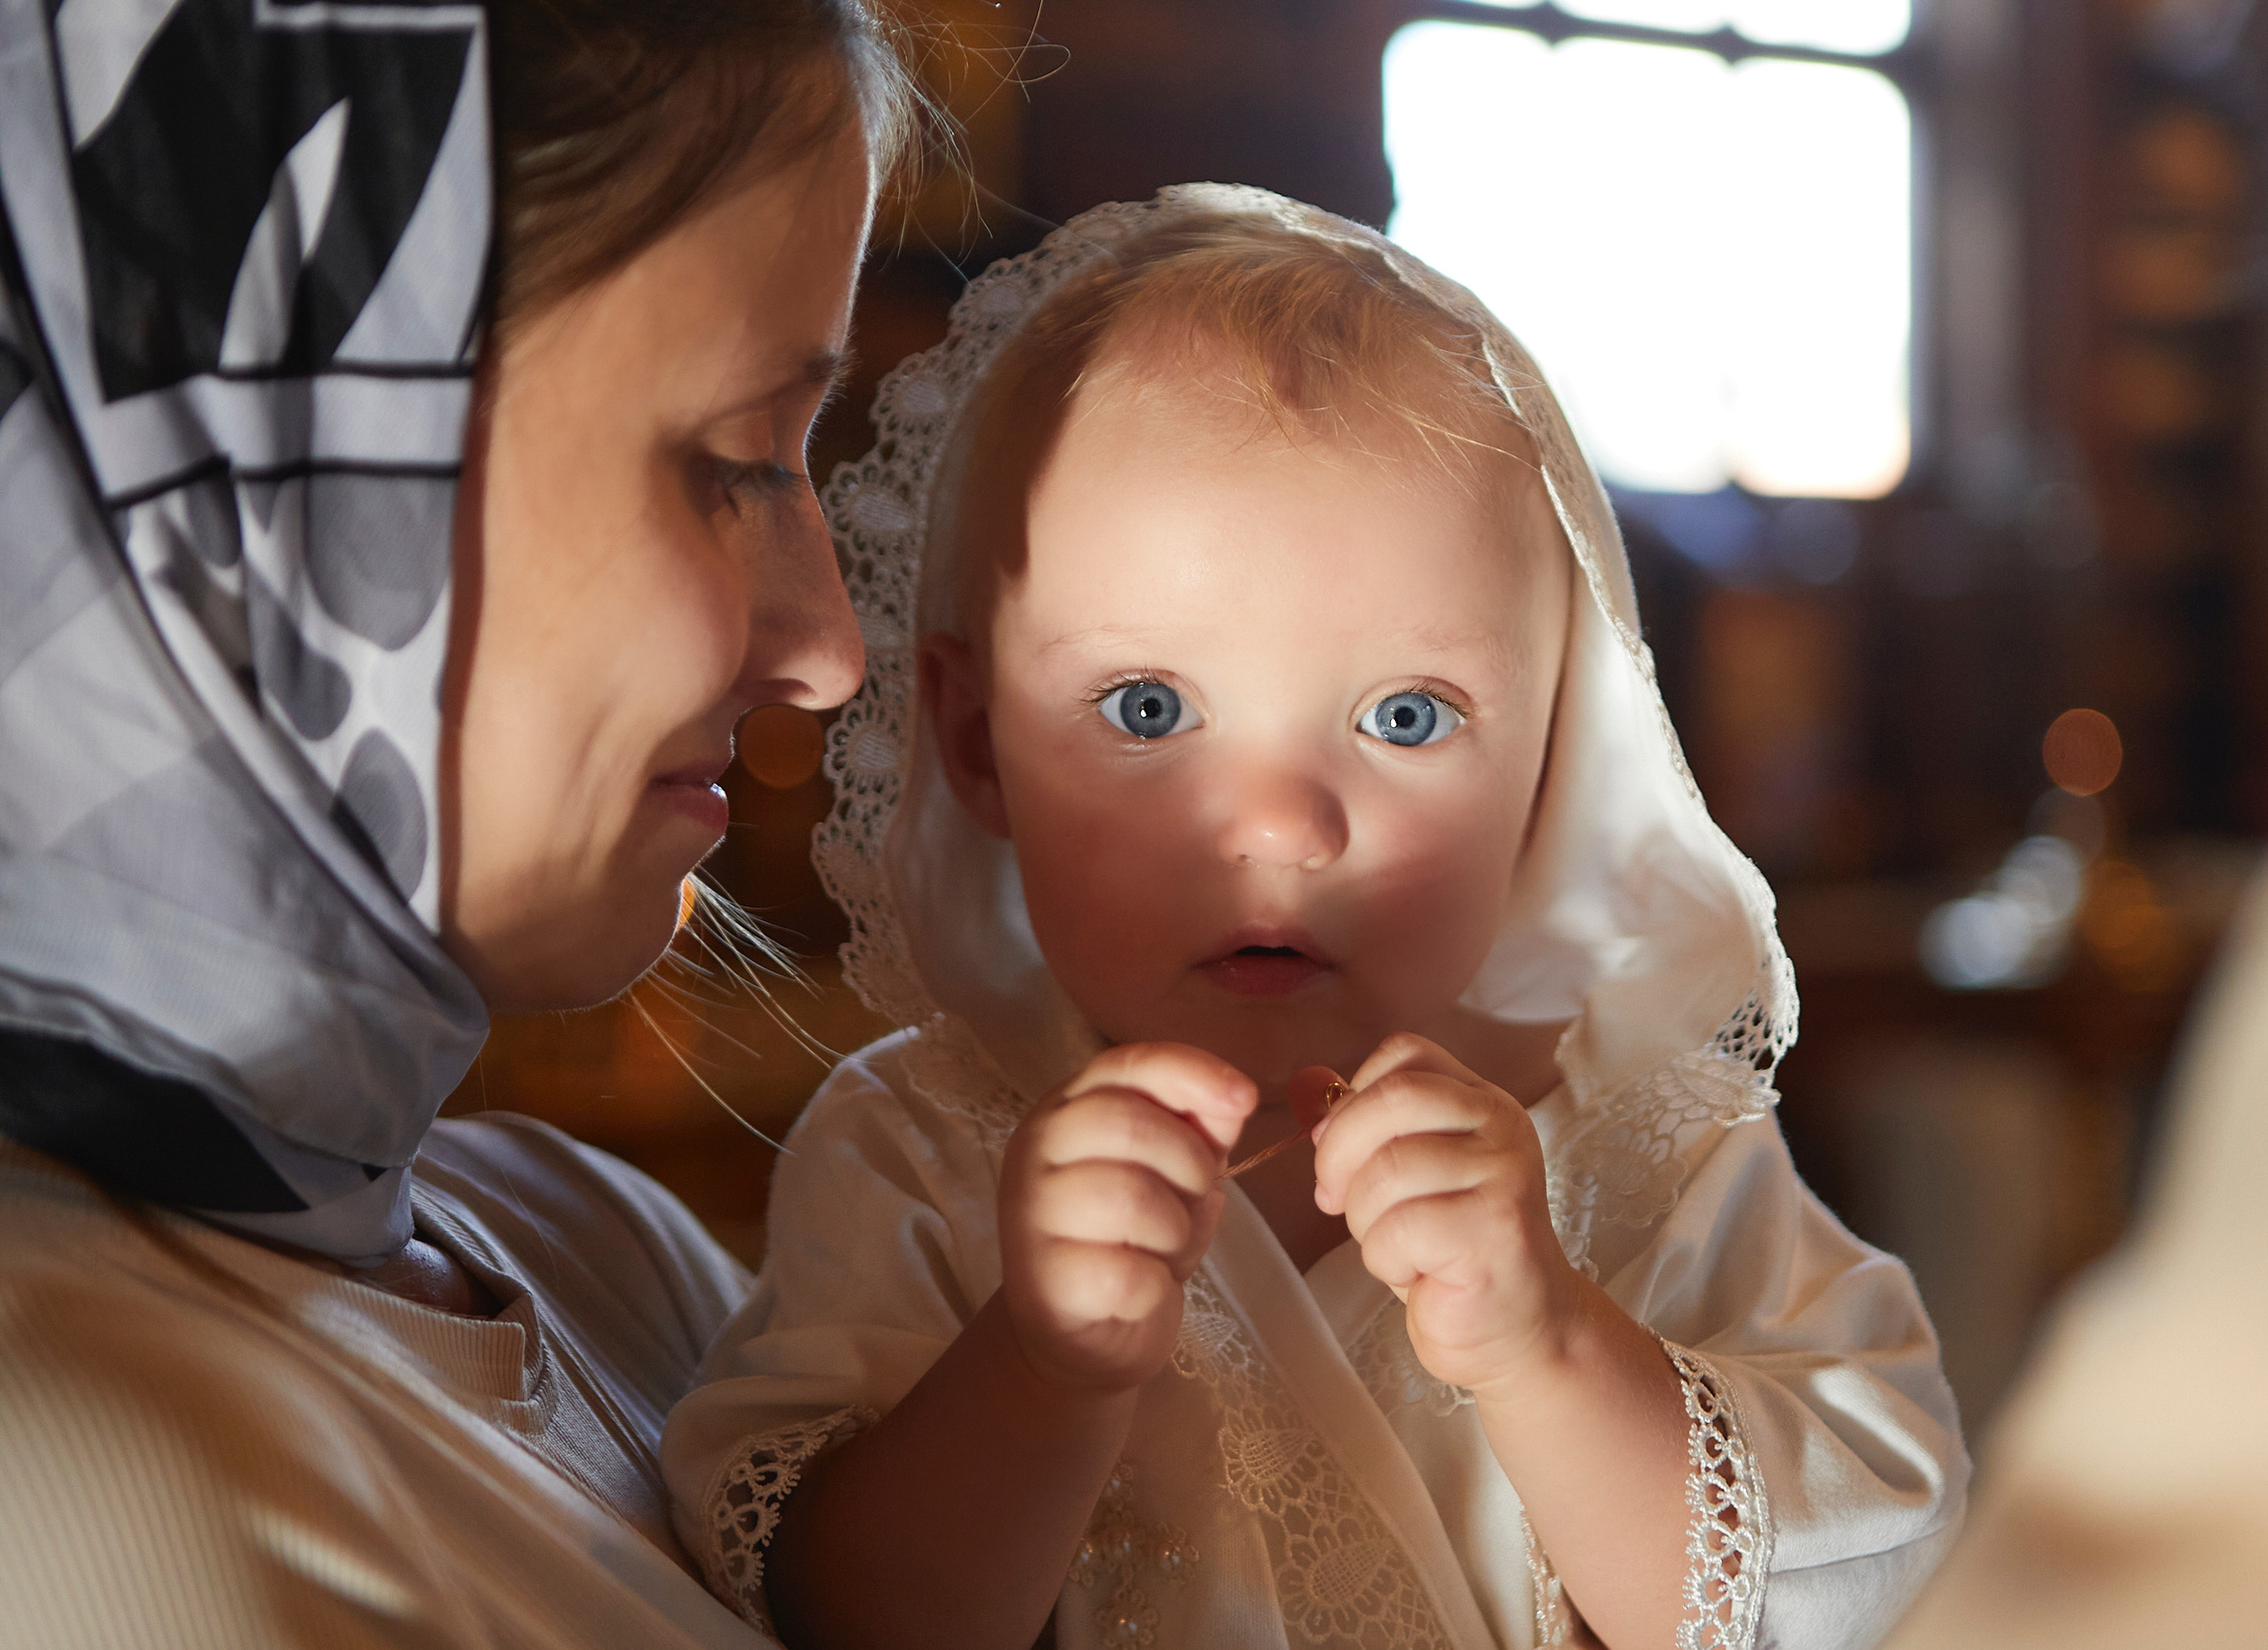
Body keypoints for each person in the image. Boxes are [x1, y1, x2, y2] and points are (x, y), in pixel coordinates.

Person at [661, 188, 1968, 1650]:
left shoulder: (1654, 1154)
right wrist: (1042, 1364)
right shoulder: (921, 1152)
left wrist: (1546, 1345)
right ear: (976, 744)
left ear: (1556, 758)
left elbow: (1853, 1579)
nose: (1282, 826)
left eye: (1407, 717)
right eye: (1147, 709)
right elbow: (841, 1614)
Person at [0, 2, 910, 1643]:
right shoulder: (87, 1485)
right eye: (731, 458)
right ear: (280, 461)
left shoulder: (586, 1244)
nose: (830, 649)